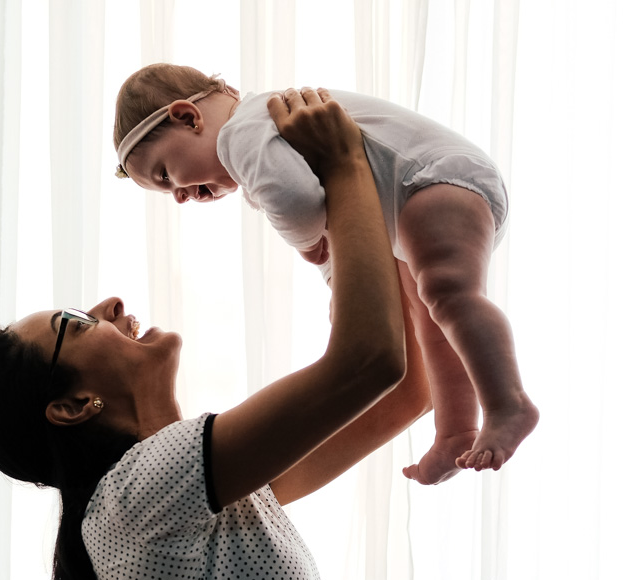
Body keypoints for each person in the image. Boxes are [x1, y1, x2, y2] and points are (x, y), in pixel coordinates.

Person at [0, 88, 430, 580]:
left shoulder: (213, 496)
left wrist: (380, 227)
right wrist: (344, 166)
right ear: (73, 406)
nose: (108, 305)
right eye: (76, 325)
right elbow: (370, 361)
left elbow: (405, 391)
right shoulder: (136, 495)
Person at [112, 63, 539, 485]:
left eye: (166, 176)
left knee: (449, 295)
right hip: (407, 208)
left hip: (433, 180)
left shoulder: (241, 133)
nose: (181, 197)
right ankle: (455, 431)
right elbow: (336, 219)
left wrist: (305, 241)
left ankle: (508, 402)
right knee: (433, 325)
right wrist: (339, 284)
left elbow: (299, 203)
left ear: (188, 117)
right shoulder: (254, 144)